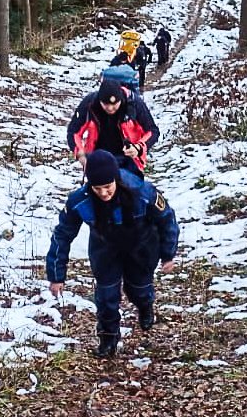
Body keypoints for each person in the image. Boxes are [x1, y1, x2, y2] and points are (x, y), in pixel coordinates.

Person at [46, 150, 179, 358]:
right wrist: (56, 275)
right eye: (98, 188)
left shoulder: (142, 192)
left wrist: (168, 253)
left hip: (141, 246)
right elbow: (62, 235)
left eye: (108, 187)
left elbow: (167, 219)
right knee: (106, 296)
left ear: (116, 180)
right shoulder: (79, 201)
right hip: (105, 249)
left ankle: (145, 306)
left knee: (139, 289)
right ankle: (108, 337)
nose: (104, 193)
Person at [67, 78, 159, 178]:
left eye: (115, 104)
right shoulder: (90, 103)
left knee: (130, 189)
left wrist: (139, 148)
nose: (110, 108)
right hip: (98, 157)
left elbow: (152, 131)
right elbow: (73, 131)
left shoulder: (133, 102)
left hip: (128, 158)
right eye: (106, 104)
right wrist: (80, 154)